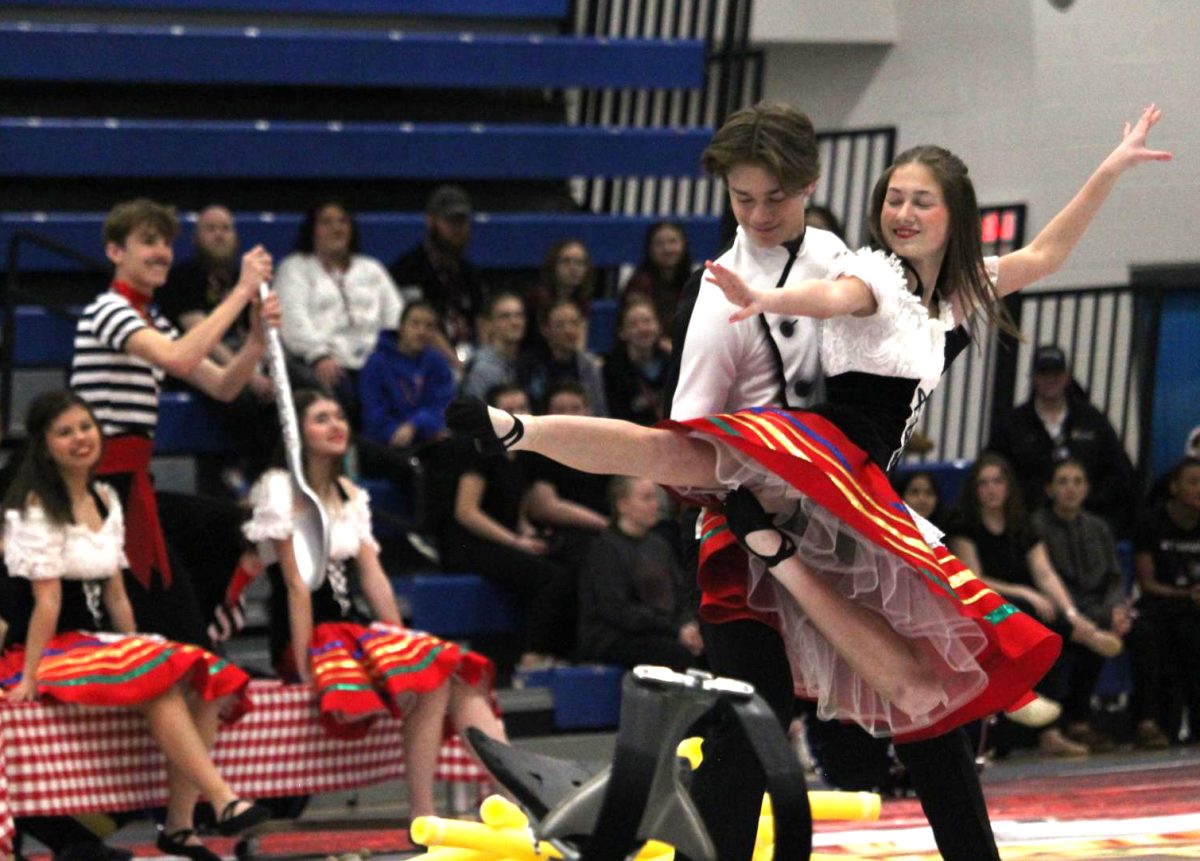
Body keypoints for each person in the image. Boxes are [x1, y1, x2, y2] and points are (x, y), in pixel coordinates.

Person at [448, 102, 1169, 859]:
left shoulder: (915, 276)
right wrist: (766, 302)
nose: (902, 209)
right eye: (895, 196)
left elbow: (1045, 256)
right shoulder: (861, 271)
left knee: (919, 699)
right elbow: (820, 315)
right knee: (684, 485)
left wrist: (1109, 170)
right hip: (786, 464)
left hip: (855, 491)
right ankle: (520, 431)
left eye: (921, 199)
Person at [0, 391, 269, 861]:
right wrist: (28, 677)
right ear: (44, 447)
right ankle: (223, 798)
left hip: (96, 643)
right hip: (49, 648)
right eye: (65, 432)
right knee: (156, 681)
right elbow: (46, 602)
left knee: (206, 674)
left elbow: (117, 593)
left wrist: (136, 645)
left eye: (85, 427)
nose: (80, 439)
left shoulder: (105, 498)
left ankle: (181, 825)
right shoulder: (36, 506)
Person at [242, 390, 506, 819]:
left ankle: (517, 805)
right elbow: (296, 585)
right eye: (321, 418)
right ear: (298, 434)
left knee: (451, 670)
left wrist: (407, 642)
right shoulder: (280, 490)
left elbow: (375, 578)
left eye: (339, 416)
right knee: (430, 676)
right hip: (310, 637)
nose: (336, 425)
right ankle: (423, 817)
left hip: (355, 633)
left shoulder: (348, 492)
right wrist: (304, 665)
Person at [69, 198, 277, 646]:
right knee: (177, 623)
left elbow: (223, 385)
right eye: (148, 241)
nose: (162, 251)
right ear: (115, 252)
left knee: (240, 526)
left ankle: (204, 624)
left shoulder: (151, 318)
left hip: (132, 485)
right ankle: (192, 636)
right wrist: (240, 292)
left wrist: (256, 340)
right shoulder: (108, 310)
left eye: (165, 242)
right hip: (102, 492)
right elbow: (180, 358)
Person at [945, 453, 1124, 756]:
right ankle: (1024, 697)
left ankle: (1050, 728)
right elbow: (973, 579)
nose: (991, 489)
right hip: (983, 604)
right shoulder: (964, 523)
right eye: (983, 483)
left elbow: (1045, 574)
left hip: (1021, 603)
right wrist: (1025, 593)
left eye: (997, 481)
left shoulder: (1023, 523)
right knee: (1025, 612)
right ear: (974, 489)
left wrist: (1072, 613)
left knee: (1053, 628)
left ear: (1009, 487)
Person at [438, 385, 578, 670]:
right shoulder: (480, 451)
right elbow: (466, 512)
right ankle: (532, 657)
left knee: (572, 560)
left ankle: (568, 653)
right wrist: (515, 541)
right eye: (509, 410)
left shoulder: (522, 453)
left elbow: (515, 504)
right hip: (470, 543)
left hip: (503, 537)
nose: (517, 415)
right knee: (552, 578)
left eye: (522, 407)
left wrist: (525, 530)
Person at [156, 204, 278, 491]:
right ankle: (256, 473)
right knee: (242, 397)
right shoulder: (183, 276)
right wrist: (249, 373)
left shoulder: (241, 277)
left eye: (225, 228)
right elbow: (199, 334)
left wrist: (263, 363)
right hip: (197, 359)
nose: (219, 235)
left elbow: (256, 330)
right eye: (210, 228)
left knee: (303, 386)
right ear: (195, 238)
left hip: (243, 356)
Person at [1031, 457, 1131, 751]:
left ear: (1087, 488)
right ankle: (1064, 724)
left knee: (1137, 631)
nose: (1070, 489)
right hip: (1062, 609)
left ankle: (1092, 721)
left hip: (1097, 608)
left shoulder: (1098, 527)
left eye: (1077, 482)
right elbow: (1043, 578)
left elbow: (1114, 577)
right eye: (1062, 482)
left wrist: (1115, 611)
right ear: (1050, 489)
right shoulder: (1037, 525)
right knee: (1069, 634)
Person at [275, 200, 403, 425]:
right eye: (327, 222)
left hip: (375, 359)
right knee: (337, 387)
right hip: (326, 361)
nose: (337, 228)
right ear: (312, 230)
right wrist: (319, 354)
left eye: (342, 221)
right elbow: (293, 319)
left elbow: (395, 316)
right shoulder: (295, 268)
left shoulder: (371, 268)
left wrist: (388, 353)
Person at [987, 344, 1137, 536]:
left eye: (1056, 373)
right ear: (1032, 377)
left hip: (1088, 522)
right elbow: (997, 468)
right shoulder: (1012, 424)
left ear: (1067, 377)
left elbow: (1120, 472)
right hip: (1028, 524)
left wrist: (1085, 500)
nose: (1050, 379)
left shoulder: (1092, 420)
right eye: (1043, 373)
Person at [577, 477, 702, 671]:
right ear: (622, 504)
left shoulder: (659, 545)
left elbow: (682, 593)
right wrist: (675, 629)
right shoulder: (605, 549)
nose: (656, 505)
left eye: (656, 498)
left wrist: (688, 624)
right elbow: (616, 609)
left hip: (663, 630)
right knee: (675, 654)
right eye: (647, 498)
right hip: (616, 636)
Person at [1126, 455, 1200, 747]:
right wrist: (1188, 595)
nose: (1199, 489)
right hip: (1163, 602)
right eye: (1192, 482)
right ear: (1174, 487)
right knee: (1157, 632)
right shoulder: (1152, 521)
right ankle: (1151, 722)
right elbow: (1147, 583)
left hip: (1193, 606)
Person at [389, 185, 485, 370]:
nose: (457, 229)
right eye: (450, 221)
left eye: (462, 222)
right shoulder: (408, 269)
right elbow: (418, 324)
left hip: (467, 354)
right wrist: (456, 363)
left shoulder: (469, 271)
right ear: (431, 221)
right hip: (424, 360)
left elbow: (481, 320)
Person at [359, 300, 455, 452]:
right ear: (401, 328)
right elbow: (374, 414)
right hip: (387, 444)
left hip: (431, 437)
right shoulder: (377, 363)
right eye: (415, 324)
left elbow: (445, 405)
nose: (421, 331)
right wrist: (396, 431)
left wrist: (415, 425)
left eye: (429, 326)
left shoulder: (437, 362)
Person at [517, 299, 608, 415]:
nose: (569, 331)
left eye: (574, 323)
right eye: (560, 325)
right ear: (545, 329)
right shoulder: (529, 366)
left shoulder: (590, 365)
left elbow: (599, 410)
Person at [621, 220, 694, 342]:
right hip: (649, 349)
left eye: (673, 242)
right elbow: (637, 326)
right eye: (659, 244)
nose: (667, 249)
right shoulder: (640, 284)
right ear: (650, 249)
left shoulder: (693, 282)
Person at [603, 296, 671, 426]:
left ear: (659, 326)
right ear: (622, 332)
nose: (643, 329)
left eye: (647, 321)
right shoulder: (612, 369)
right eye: (633, 324)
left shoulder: (672, 362)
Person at [461, 291, 526, 401]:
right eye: (505, 316)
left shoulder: (525, 362)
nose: (514, 322)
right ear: (489, 324)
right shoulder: (481, 369)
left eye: (519, 315)